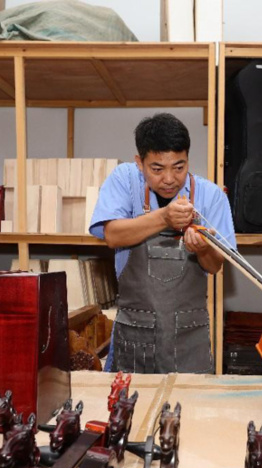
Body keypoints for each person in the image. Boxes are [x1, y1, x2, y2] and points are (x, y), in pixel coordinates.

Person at [89, 113, 236, 374]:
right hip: (135, 333)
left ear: (188, 158)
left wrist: (203, 249)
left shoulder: (211, 196)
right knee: (128, 399)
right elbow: (112, 235)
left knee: (189, 400)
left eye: (179, 167)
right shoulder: (124, 179)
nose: (169, 178)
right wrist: (164, 218)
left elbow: (215, 266)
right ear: (139, 162)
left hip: (189, 335)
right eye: (157, 169)